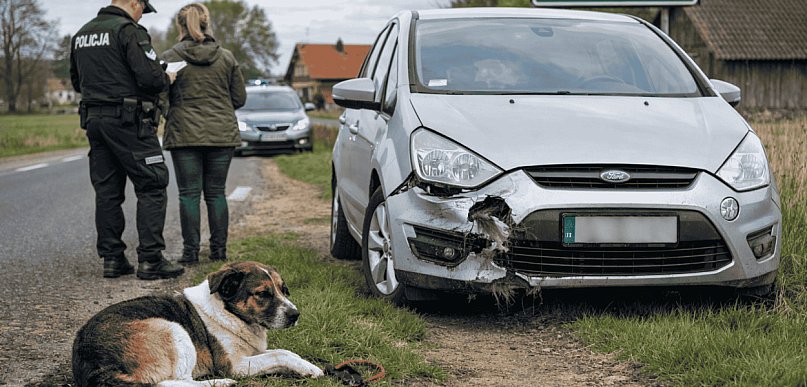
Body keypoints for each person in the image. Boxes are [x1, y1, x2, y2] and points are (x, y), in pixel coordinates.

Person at [70, 0, 184, 280]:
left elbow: (77, 82)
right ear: (134, 2)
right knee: (153, 184)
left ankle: (113, 259)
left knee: (107, 191)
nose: (140, 15)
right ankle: (151, 260)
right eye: (141, 9)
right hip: (130, 121)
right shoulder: (130, 31)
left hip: (94, 121)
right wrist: (166, 76)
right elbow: (150, 78)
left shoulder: (82, 34)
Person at [160, 3, 247, 265]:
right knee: (216, 193)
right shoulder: (227, 57)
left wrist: (173, 113)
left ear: (180, 26)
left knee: (188, 194)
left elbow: (161, 96)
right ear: (207, 23)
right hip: (221, 134)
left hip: (184, 134)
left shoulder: (171, 57)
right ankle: (219, 252)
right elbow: (239, 98)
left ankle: (190, 253)